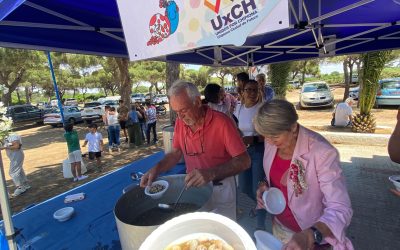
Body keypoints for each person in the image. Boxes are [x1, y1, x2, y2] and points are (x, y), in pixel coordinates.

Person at [140, 80, 251, 220]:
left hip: (220, 188)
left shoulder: (222, 122)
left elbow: (244, 161)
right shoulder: (181, 122)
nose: (180, 117)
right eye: (176, 112)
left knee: (222, 235)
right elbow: (176, 152)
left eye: (183, 110)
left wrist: (211, 173)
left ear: (197, 102)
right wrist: (157, 168)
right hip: (194, 187)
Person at [254, 99, 353, 249]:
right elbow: (272, 173)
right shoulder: (271, 141)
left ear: (293, 127)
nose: (269, 141)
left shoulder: (322, 153)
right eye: (265, 136)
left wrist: (311, 235)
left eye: (274, 136)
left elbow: (340, 208)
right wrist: (263, 184)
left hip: (311, 237)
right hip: (280, 227)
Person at [233, 79, 266, 229]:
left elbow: (270, 135)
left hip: (258, 150)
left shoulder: (262, 109)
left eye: (255, 89)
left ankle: (260, 226)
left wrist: (252, 138)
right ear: (243, 92)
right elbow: (238, 127)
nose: (252, 93)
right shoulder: (238, 109)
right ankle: (263, 205)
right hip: (242, 151)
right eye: (249, 90)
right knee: (244, 188)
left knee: (256, 188)